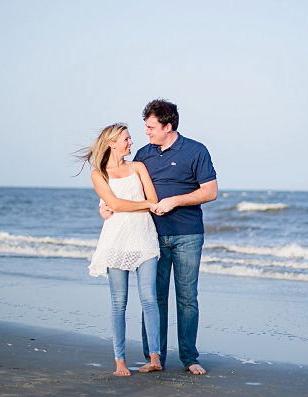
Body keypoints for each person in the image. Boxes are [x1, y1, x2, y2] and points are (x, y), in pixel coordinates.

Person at [101, 99, 217, 375]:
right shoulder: (143, 154)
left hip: (188, 234)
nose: (147, 133)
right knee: (154, 298)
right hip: (150, 236)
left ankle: (189, 358)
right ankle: (155, 358)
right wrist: (105, 205)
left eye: (151, 127)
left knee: (187, 298)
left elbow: (210, 192)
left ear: (168, 126)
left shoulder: (196, 150)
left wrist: (175, 201)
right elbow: (123, 185)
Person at [80, 124, 162, 376]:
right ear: (111, 143)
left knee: (149, 297)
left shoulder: (138, 167)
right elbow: (114, 203)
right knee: (119, 302)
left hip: (145, 237)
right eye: (126, 139)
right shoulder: (98, 174)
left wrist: (133, 205)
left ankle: (155, 357)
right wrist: (139, 205)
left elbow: (154, 200)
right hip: (116, 240)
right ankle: (120, 362)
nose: (131, 142)